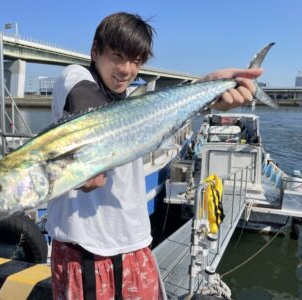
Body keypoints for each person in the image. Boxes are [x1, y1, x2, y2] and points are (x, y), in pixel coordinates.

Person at [46, 12, 263, 300]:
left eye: (136, 61)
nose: (126, 69)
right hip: (84, 253)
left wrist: (207, 89)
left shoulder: (136, 103)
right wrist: (89, 151)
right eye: (117, 56)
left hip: (136, 246)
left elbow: (166, 111)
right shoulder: (74, 78)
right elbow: (85, 99)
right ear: (95, 52)